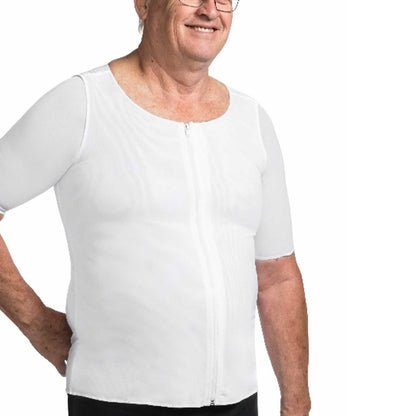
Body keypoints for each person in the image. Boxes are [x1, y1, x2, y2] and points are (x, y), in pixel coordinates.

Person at [0, 0, 311, 415]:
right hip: (116, 402)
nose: (210, 10)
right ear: (144, 4)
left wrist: (296, 399)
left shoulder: (251, 121)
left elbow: (277, 276)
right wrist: (37, 323)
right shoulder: (83, 104)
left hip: (236, 403)